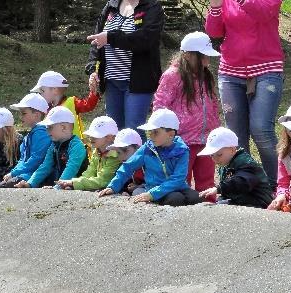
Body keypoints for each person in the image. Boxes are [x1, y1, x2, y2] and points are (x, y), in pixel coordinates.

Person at [205, 0, 285, 190]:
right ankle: (242, 186)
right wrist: (215, 7)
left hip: (267, 68)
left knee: (261, 130)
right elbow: (214, 32)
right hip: (231, 71)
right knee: (236, 136)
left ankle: (278, 187)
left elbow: (263, 13)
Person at [152, 31, 221, 199]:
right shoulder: (172, 76)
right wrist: (164, 134)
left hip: (205, 141)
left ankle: (210, 209)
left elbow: (212, 106)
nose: (207, 61)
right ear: (189, 55)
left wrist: (215, 130)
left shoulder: (206, 76)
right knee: (181, 182)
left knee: (207, 183)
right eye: (203, 56)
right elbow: (160, 106)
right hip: (182, 143)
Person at [86, 0, 164, 134]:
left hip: (139, 83)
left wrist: (111, 37)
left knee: (132, 132)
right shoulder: (111, 5)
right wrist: (93, 69)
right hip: (111, 82)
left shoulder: (152, 7)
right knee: (113, 132)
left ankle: (139, 156)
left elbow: (145, 39)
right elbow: (97, 41)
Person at [98, 109, 203, 206]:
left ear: (171, 134)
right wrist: (113, 186)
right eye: (149, 132)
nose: (151, 136)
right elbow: (128, 167)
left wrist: (153, 194)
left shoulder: (182, 150)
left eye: (155, 132)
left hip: (178, 186)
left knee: (197, 197)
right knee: (176, 199)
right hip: (154, 188)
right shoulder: (147, 148)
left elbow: (178, 178)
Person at [197, 127, 273, 208]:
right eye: (212, 155)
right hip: (240, 199)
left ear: (232, 150)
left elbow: (242, 182)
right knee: (217, 205)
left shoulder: (245, 163)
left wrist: (220, 188)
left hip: (258, 201)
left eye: (219, 155)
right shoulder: (224, 164)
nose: (215, 159)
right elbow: (229, 192)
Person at [15, 106, 88, 189]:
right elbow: (45, 166)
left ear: (63, 127)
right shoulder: (54, 145)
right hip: (62, 184)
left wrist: (56, 188)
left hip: (79, 185)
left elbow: (71, 169)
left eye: (50, 127)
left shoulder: (77, 146)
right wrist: (30, 184)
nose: (47, 131)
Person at [0, 93, 51, 188]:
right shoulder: (29, 135)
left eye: (24, 113)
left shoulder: (41, 133)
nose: (20, 117)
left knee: (5, 186)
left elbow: (36, 159)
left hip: (37, 177)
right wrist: (13, 173)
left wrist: (14, 173)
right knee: (3, 184)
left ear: (36, 115)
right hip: (26, 175)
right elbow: (23, 159)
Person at [30, 71, 100, 141]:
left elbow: (88, 105)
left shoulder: (71, 102)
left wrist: (93, 92)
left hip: (75, 147)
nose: (40, 94)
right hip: (57, 148)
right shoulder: (46, 109)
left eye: (42, 91)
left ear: (55, 90)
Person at [56, 116, 121, 191]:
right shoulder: (97, 151)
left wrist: (74, 183)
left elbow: (103, 181)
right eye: (90, 135)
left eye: (96, 135)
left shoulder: (115, 155)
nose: (91, 138)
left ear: (110, 137)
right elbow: (89, 173)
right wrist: (73, 184)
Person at [106, 128, 145, 195]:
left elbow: (156, 182)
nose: (121, 156)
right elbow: (123, 182)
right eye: (118, 152)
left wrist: (140, 186)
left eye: (125, 150)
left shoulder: (147, 163)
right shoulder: (124, 166)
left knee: (137, 192)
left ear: (138, 149)